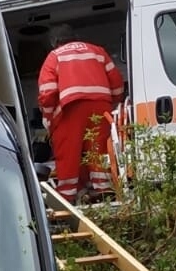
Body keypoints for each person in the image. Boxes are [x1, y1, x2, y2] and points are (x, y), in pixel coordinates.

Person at [36, 33, 125, 203]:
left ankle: (67, 199)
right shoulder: (98, 52)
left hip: (70, 109)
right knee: (98, 151)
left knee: (69, 153)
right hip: (101, 106)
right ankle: (104, 191)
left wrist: (48, 118)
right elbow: (117, 84)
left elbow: (47, 93)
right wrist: (111, 104)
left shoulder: (55, 56)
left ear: (55, 42)